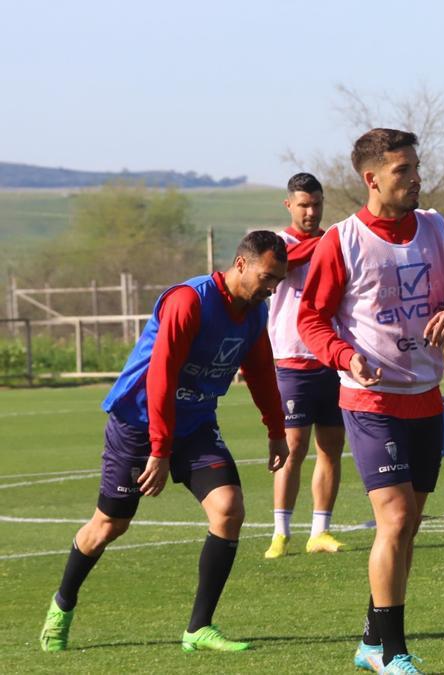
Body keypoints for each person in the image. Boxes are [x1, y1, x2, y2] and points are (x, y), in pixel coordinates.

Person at [297, 128, 444, 674]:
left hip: (427, 399)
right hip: (370, 402)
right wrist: (345, 356)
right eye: (403, 171)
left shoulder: (437, 230)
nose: (416, 178)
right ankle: (392, 652)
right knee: (392, 520)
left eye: (416, 167)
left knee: (408, 524)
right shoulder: (341, 240)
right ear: (372, 179)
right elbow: (312, 320)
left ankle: (371, 639)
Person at [38, 231, 290, 654]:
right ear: (241, 264)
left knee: (229, 510)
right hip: (138, 424)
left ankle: (198, 628)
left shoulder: (254, 315)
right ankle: (62, 605)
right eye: (267, 277)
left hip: (195, 425)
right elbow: (161, 376)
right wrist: (159, 447)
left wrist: (276, 429)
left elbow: (262, 371)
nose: (272, 288)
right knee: (109, 526)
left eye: (278, 281)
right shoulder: (189, 301)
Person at [263, 172, 348, 559]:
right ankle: (281, 531)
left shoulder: (334, 241)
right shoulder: (277, 245)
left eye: (316, 205)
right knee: (292, 447)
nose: (311, 212)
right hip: (291, 361)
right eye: (303, 205)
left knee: (330, 447)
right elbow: (287, 260)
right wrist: (324, 244)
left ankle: (320, 530)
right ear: (289, 206)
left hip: (329, 357)